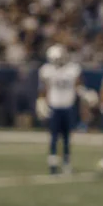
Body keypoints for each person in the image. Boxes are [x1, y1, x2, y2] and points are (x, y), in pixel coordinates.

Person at [37, 44, 81, 175]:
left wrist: (84, 94)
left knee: (67, 137)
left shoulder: (73, 69)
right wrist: (41, 103)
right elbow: (42, 89)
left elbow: (78, 85)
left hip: (68, 106)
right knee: (54, 137)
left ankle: (66, 163)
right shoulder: (46, 70)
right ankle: (53, 162)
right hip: (54, 107)